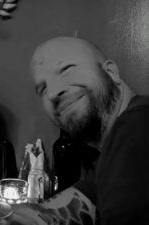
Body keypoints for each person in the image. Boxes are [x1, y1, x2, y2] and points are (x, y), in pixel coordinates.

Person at [12, 36, 149, 225]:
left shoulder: (138, 125)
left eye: (66, 69)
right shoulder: (109, 158)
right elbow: (54, 212)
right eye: (43, 88)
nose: (52, 93)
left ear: (111, 72)